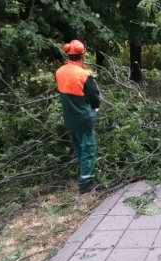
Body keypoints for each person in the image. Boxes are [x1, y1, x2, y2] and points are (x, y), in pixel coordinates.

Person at [55, 39, 101, 194]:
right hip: (83, 118)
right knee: (88, 150)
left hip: (70, 119)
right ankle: (86, 185)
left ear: (68, 54)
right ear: (83, 54)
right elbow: (95, 98)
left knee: (80, 149)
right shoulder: (84, 75)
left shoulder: (60, 72)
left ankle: (84, 176)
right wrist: (95, 108)